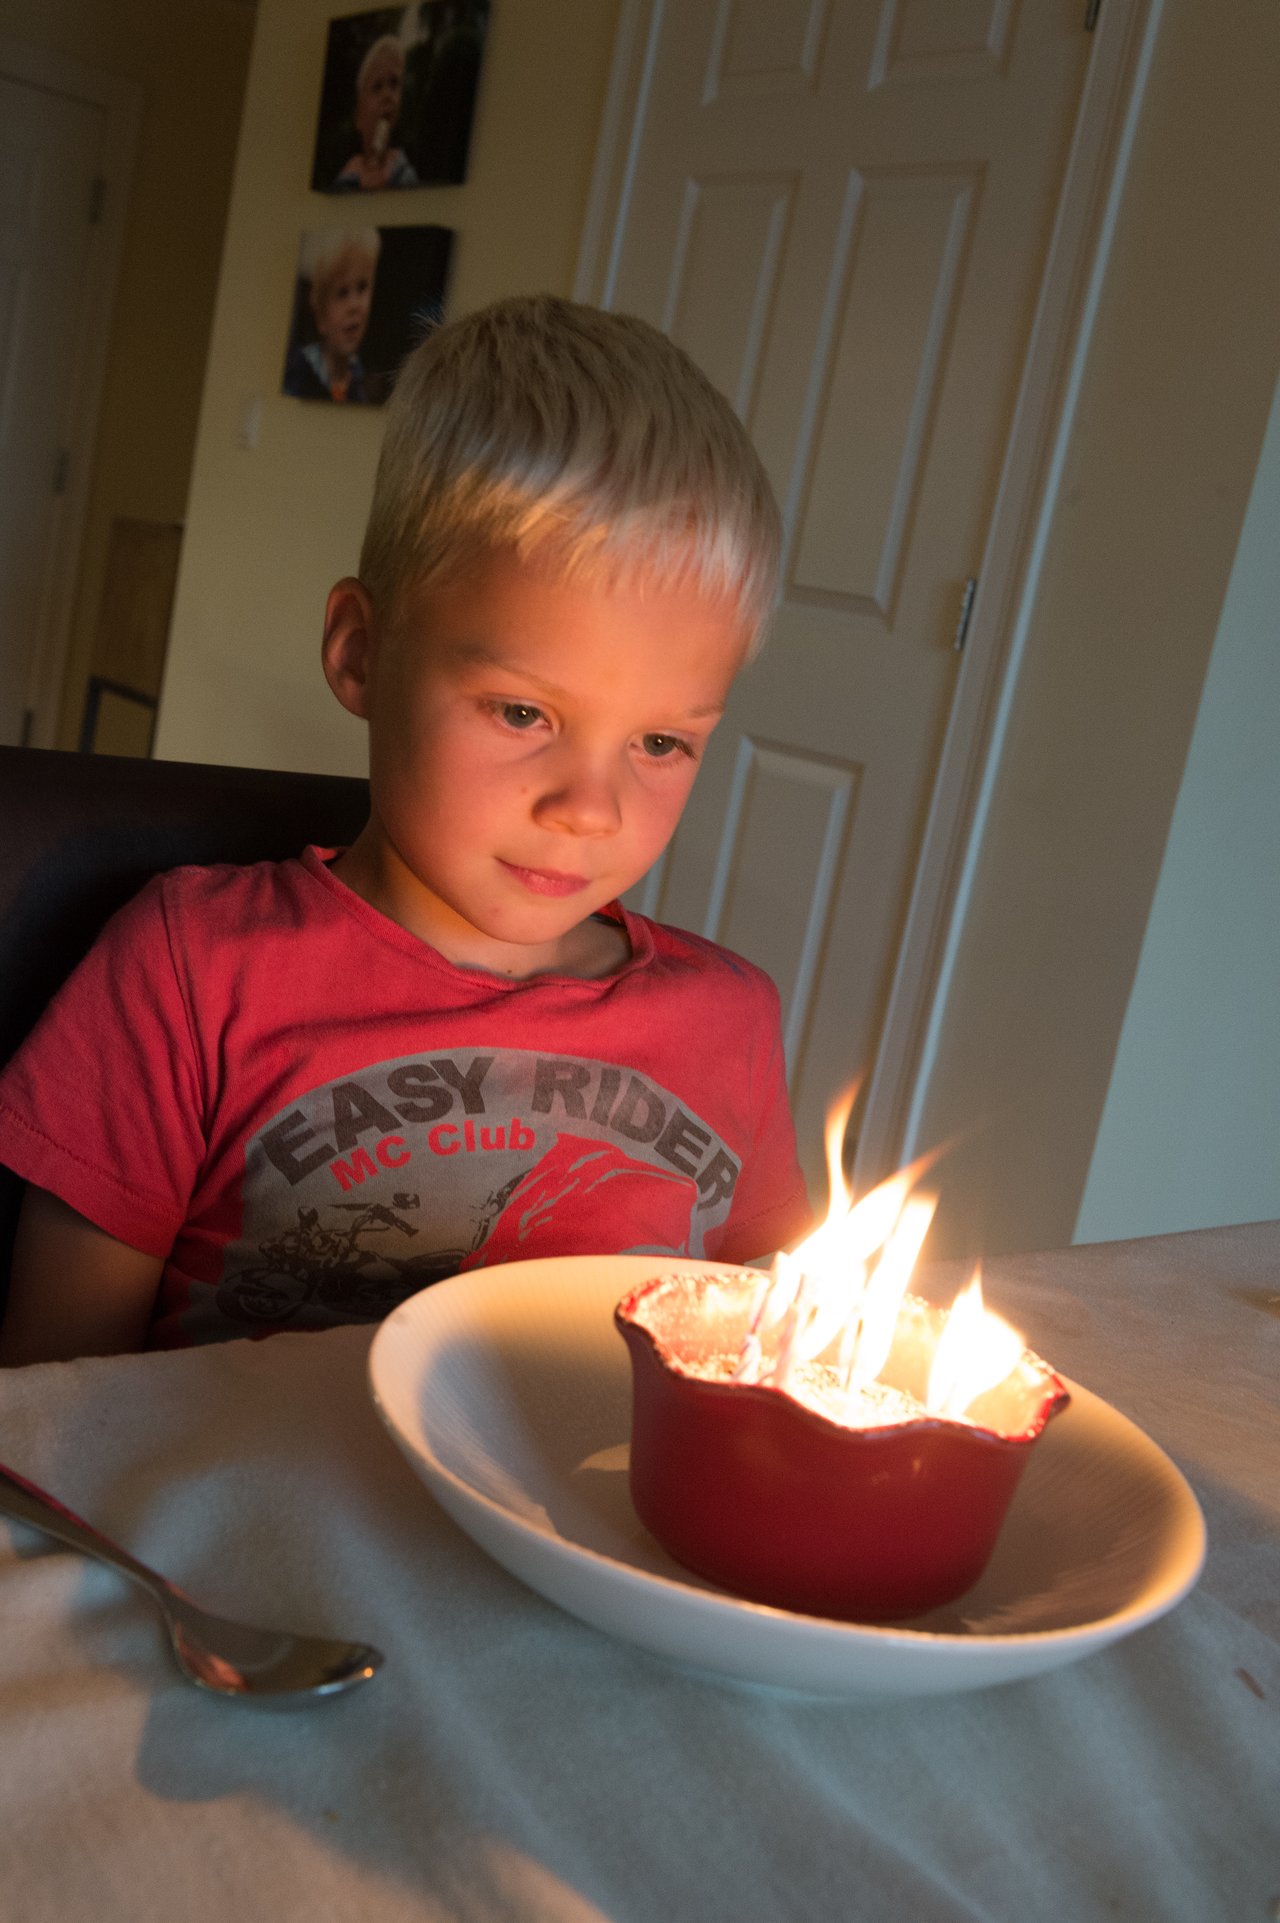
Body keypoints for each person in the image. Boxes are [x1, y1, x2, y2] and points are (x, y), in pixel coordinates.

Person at [0, 294, 814, 1364]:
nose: (590, 809)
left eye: (660, 743)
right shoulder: (190, 974)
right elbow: (53, 1399)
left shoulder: (727, 1022)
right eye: (524, 713)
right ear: (359, 655)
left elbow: (754, 1358)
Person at [283, 229, 380, 404]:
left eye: (362, 287)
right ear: (320, 315)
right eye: (342, 293)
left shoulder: (365, 386)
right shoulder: (296, 374)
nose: (354, 305)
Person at [331, 35, 420, 193]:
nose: (387, 95)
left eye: (394, 84)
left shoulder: (406, 175)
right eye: (377, 86)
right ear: (359, 116)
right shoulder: (345, 178)